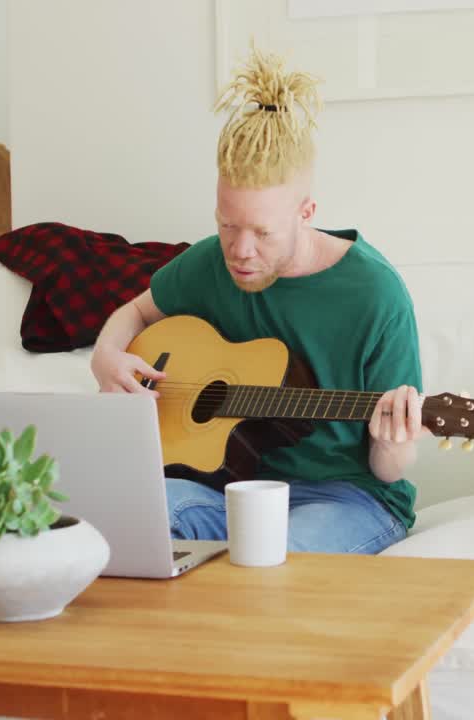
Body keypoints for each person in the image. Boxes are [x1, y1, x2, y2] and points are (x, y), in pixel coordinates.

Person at [89, 46, 423, 555]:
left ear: (306, 211)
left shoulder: (375, 294)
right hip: (229, 491)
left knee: (274, 555)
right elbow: (135, 311)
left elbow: (387, 468)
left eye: (263, 233)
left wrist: (393, 444)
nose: (241, 252)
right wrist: (105, 355)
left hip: (349, 498)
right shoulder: (208, 264)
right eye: (227, 226)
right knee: (120, 516)